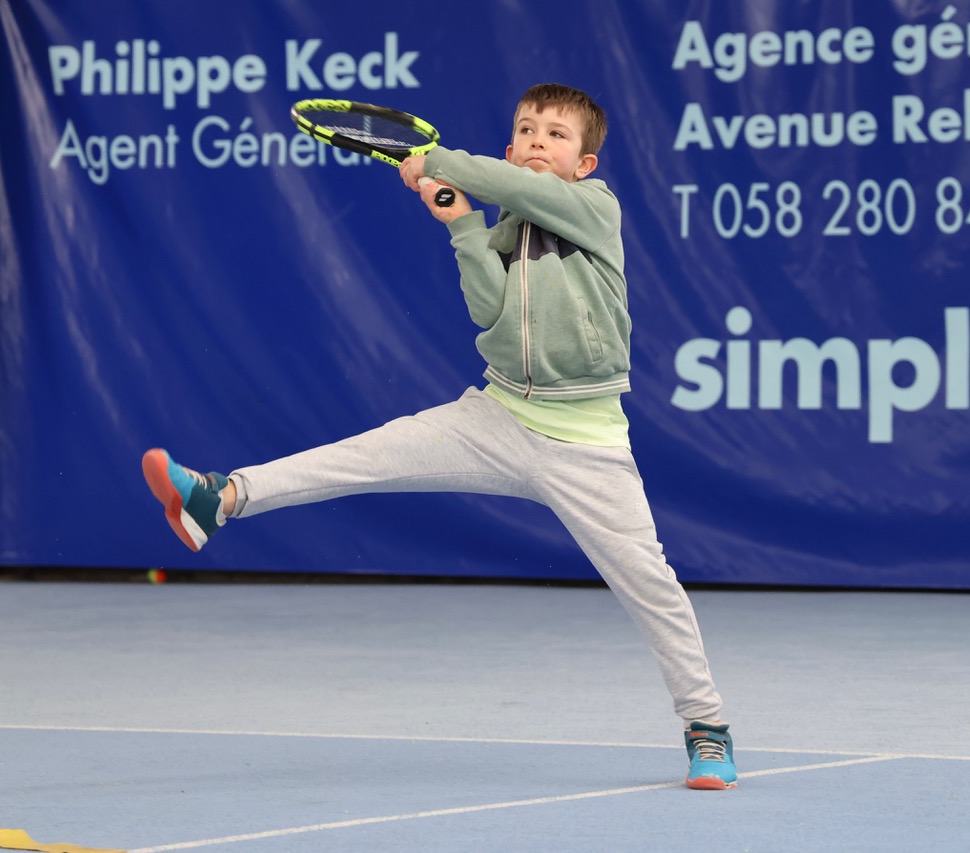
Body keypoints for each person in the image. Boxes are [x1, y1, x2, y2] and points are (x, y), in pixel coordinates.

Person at [142, 83, 737, 790]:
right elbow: (490, 312)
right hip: (497, 418)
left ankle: (706, 727)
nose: (538, 141)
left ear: (584, 164)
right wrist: (462, 225)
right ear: (510, 146)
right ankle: (219, 499)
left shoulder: (595, 208)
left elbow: (514, 185)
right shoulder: (506, 226)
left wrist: (438, 160)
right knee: (366, 456)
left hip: (587, 443)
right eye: (527, 130)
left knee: (650, 585)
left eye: (556, 134)